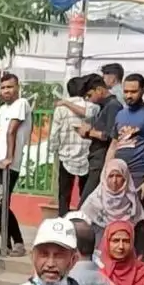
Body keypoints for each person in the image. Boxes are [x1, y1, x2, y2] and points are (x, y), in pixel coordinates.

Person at [112, 73, 144, 258]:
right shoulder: (120, 114)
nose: (129, 95)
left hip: (140, 175)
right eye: (126, 91)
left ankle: (140, 261)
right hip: (118, 177)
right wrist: (107, 172)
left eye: (133, 91)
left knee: (140, 220)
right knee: (118, 219)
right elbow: (114, 144)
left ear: (143, 91)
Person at [0, 72, 30, 257]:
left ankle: (17, 243)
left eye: (10, 87)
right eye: (3, 88)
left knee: (1, 204)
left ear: (17, 87)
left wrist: (9, 157)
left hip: (8, 165)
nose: (6, 91)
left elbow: (11, 131)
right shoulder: (3, 109)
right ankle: (4, 244)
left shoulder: (21, 104)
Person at [50, 75, 93, 218]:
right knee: (85, 192)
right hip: (87, 155)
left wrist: (53, 149)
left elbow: (54, 132)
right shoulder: (92, 107)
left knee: (64, 193)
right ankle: (84, 219)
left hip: (65, 155)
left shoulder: (61, 109)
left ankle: (62, 220)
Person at [77, 157, 144, 248]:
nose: (114, 181)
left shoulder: (132, 201)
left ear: (125, 178)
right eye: (111, 176)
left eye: (119, 176)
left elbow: (139, 226)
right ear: (104, 177)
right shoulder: (94, 200)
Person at [77, 76, 121, 198]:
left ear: (100, 90)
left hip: (102, 160)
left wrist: (88, 132)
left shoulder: (113, 106)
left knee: (87, 203)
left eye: (90, 95)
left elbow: (111, 135)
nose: (88, 99)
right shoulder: (103, 107)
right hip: (95, 158)